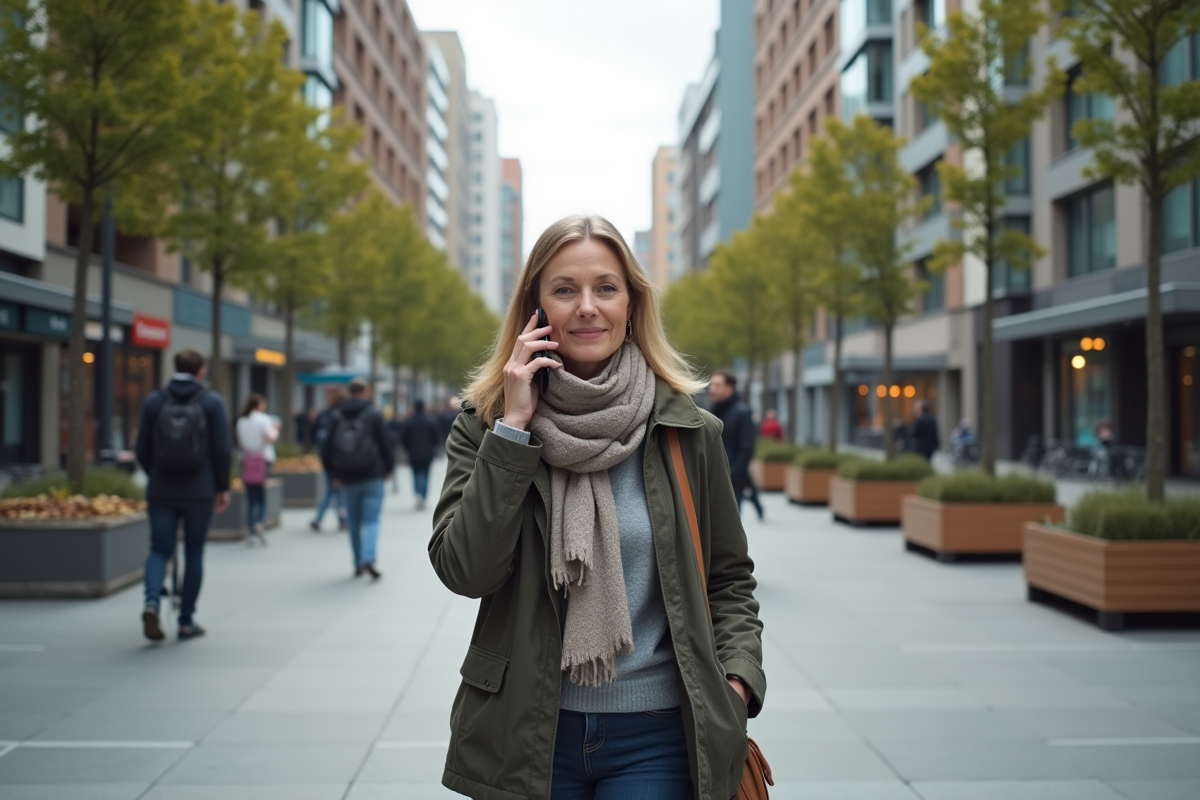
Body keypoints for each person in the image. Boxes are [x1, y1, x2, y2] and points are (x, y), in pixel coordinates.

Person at [431, 215, 764, 800]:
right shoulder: (483, 427)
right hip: (529, 732)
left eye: (605, 288)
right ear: (535, 308)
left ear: (631, 305)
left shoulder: (689, 431)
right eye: (564, 289)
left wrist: (736, 682)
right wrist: (513, 430)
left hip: (659, 734)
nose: (587, 306)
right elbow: (467, 571)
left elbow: (729, 577)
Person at [134, 348, 231, 642]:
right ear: (201, 371)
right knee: (194, 551)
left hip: (162, 487)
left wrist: (156, 475)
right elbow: (222, 450)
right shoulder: (212, 402)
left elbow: (141, 448)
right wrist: (222, 487)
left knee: (159, 548)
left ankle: (151, 602)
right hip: (199, 489)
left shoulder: (155, 400)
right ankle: (186, 621)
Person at [321, 378, 393, 579]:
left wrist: (333, 474)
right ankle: (368, 557)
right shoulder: (373, 414)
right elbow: (385, 444)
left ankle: (357, 563)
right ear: (366, 392)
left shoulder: (336, 415)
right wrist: (388, 468)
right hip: (372, 474)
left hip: (347, 477)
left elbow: (326, 449)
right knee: (372, 520)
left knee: (353, 522)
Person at [708, 370, 764, 522]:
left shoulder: (742, 412)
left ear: (729, 388)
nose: (712, 388)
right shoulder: (711, 411)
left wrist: (732, 474)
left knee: (730, 523)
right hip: (713, 477)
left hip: (732, 478)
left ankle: (759, 507)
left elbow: (746, 447)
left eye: (717, 385)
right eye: (712, 384)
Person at [235, 393, 278, 545]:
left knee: (250, 497)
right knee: (260, 497)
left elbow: (240, 441)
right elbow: (269, 438)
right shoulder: (264, 420)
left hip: (246, 460)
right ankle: (259, 522)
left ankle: (250, 530)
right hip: (262, 460)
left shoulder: (241, 421)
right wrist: (276, 430)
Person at [310, 390, 347, 532]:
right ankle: (342, 519)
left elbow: (315, 433)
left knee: (330, 491)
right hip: (340, 459)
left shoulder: (324, 414)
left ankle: (319, 518)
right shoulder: (342, 416)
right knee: (339, 491)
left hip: (327, 459)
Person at [399, 399, 441, 510]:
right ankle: (423, 496)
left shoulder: (409, 422)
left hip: (413, 453)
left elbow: (403, 438)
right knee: (426, 475)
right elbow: (437, 438)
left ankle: (417, 494)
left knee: (415, 474)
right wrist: (432, 448)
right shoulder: (430, 421)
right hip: (427, 453)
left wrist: (408, 449)